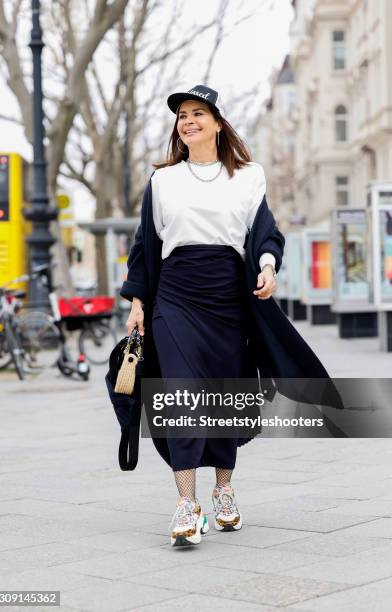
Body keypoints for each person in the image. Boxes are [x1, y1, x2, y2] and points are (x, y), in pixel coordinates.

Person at [120, 84, 339, 548]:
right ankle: (186, 504)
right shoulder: (162, 181)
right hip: (176, 294)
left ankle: (223, 490)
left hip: (228, 296)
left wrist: (266, 267)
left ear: (218, 123)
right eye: (182, 114)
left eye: (198, 113)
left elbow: (265, 234)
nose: (188, 120)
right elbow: (145, 246)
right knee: (180, 394)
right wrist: (139, 303)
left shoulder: (249, 175)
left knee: (223, 396)